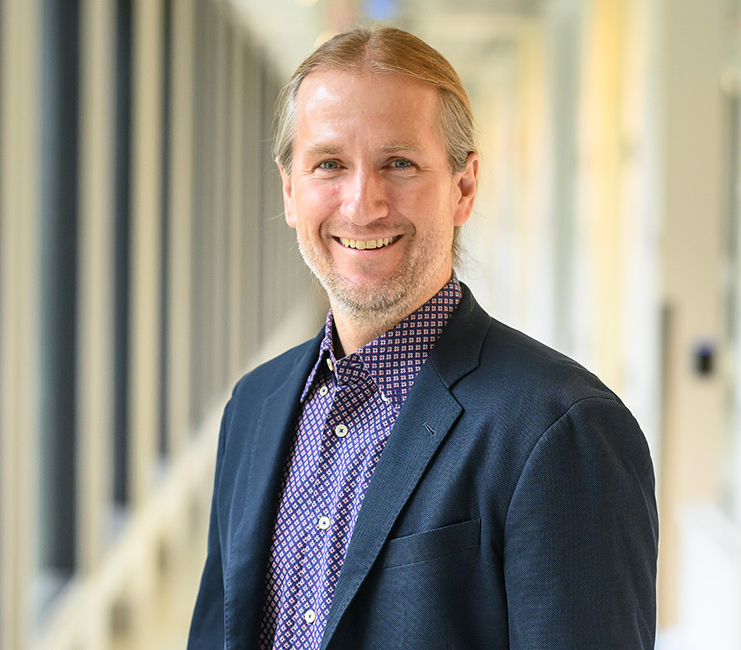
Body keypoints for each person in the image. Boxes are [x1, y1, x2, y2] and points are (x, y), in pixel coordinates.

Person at [187, 26, 657, 649]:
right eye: (329, 164)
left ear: (463, 188)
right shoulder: (255, 406)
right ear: (290, 190)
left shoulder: (559, 430)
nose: (362, 204)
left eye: (399, 164)